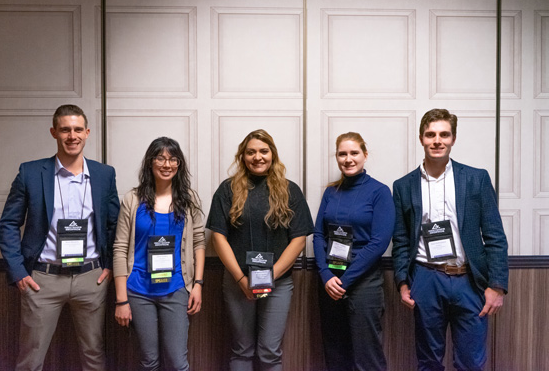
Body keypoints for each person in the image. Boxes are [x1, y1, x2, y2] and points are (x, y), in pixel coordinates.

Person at [0, 104, 120, 371]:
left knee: (94, 355)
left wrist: (110, 266)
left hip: (91, 279)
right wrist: (19, 272)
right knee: (31, 358)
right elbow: (8, 223)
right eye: (65, 129)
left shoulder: (103, 174)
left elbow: (115, 225)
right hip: (42, 279)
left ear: (87, 132)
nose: (72, 136)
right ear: (54, 132)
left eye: (77, 129)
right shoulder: (30, 173)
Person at [392, 109, 509, 371]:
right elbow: (400, 239)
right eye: (430, 134)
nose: (437, 140)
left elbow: (495, 236)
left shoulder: (476, 178)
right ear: (421, 138)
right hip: (426, 279)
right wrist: (402, 282)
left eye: (444, 134)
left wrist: (498, 285)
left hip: (470, 281)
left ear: (453, 139)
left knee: (470, 362)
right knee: (428, 362)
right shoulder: (403, 186)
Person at [206, 129, 314, 371]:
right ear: (243, 156)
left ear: (272, 155)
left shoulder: (290, 190)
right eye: (251, 152)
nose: (258, 157)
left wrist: (268, 277)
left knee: (269, 352)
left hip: (278, 283)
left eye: (264, 151)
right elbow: (218, 238)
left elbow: (298, 240)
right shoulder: (227, 190)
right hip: (237, 282)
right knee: (241, 350)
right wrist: (243, 279)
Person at [113, 137, 205, 371]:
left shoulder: (189, 199)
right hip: (139, 290)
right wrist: (121, 299)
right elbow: (120, 248)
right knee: (149, 361)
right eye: (161, 158)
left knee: (177, 362)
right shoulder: (132, 199)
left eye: (173, 159)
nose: (167, 164)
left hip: (175, 288)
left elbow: (198, 242)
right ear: (150, 163)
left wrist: (198, 284)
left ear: (179, 164)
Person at [313, 132, 394, 371]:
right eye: (342, 154)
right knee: (335, 352)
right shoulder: (331, 192)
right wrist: (327, 276)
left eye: (354, 153)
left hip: (364, 283)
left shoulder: (380, 192)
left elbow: (378, 243)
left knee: (366, 355)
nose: (348, 159)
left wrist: (344, 280)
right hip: (330, 283)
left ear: (365, 155)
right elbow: (319, 235)